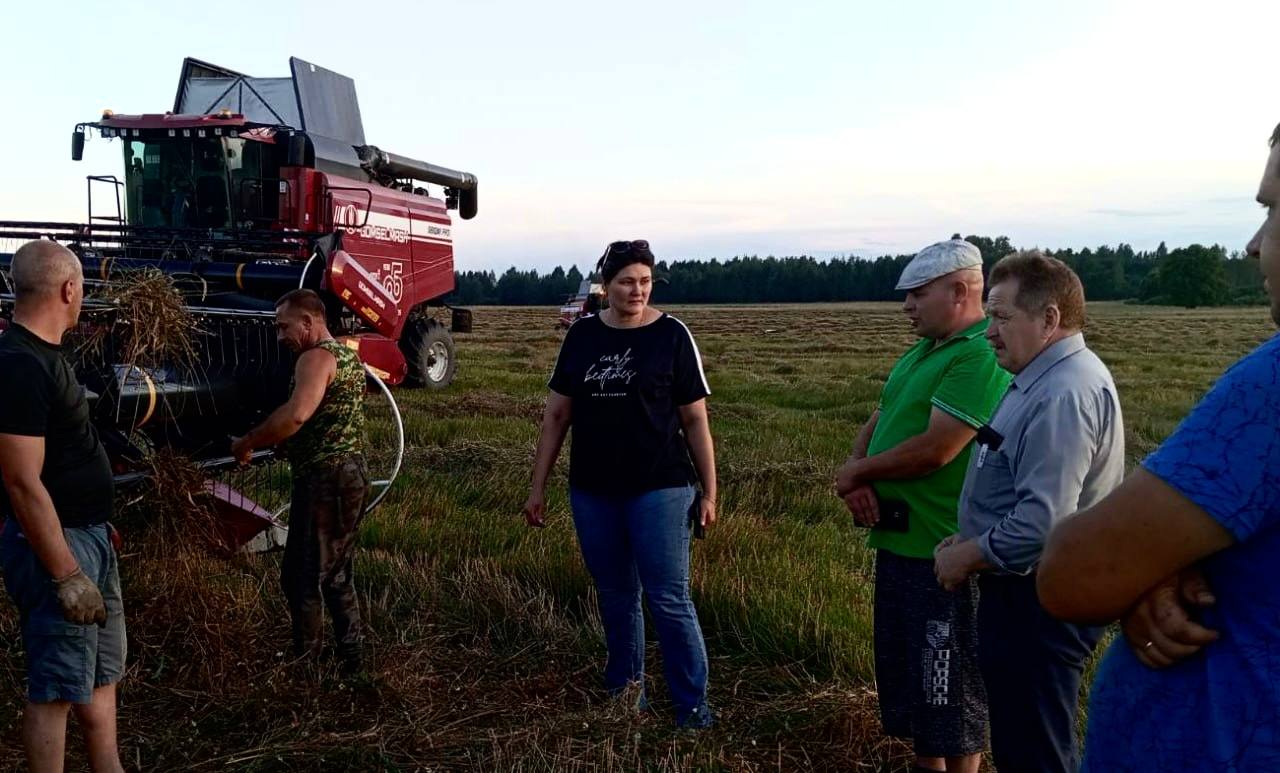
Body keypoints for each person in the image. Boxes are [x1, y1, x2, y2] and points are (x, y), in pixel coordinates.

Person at [1038, 121, 1280, 771]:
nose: (1256, 245)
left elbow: (1072, 572)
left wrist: (1133, 572)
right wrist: (1157, 566)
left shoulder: (1272, 388)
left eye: (1274, 208)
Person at [933, 252, 1123, 772]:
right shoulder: (1039, 380)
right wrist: (970, 537)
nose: (989, 332)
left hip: (1036, 605)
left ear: (1049, 319)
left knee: (1033, 752)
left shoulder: (1063, 393)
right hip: (1023, 596)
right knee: (1024, 742)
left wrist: (969, 554)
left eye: (1001, 317)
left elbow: (1044, 524)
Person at [522, 239, 718, 729]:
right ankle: (625, 692)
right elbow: (556, 415)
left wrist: (710, 492)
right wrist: (537, 487)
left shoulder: (672, 335)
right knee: (615, 593)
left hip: (662, 487)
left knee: (668, 597)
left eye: (646, 282)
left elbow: (695, 420)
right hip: (593, 488)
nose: (637, 290)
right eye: (627, 281)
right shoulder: (582, 336)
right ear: (605, 285)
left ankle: (692, 706)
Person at [834, 239, 1010, 773]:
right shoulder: (925, 350)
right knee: (917, 686)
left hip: (943, 552)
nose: (907, 306)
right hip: (902, 544)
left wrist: (860, 472)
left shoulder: (979, 354)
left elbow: (938, 448)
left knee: (949, 685)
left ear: (960, 291)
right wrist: (856, 469)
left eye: (918, 294)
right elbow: (883, 411)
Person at [0, 240, 126, 773]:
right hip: (59, 548)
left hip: (89, 536)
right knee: (55, 687)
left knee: (99, 675)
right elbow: (22, 482)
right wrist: (67, 573)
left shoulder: (45, 356)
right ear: (69, 289)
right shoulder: (19, 364)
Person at [231, 289, 370, 673]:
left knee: (301, 576)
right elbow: (327, 419)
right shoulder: (346, 355)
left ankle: (305, 668)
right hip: (351, 473)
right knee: (337, 571)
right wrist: (289, 448)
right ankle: (351, 658)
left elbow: (296, 415)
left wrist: (248, 442)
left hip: (326, 478)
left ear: (309, 322)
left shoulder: (315, 357)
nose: (280, 336)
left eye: (283, 327)